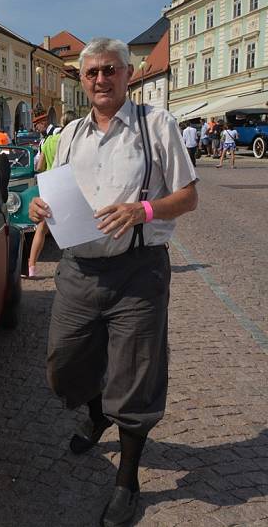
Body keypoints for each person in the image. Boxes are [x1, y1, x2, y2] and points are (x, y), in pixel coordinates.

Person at [28, 37, 198, 527]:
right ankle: (97, 411)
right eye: (92, 73)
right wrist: (39, 209)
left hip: (138, 271)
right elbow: (51, 195)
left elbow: (187, 196)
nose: (100, 80)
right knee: (64, 365)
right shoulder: (70, 134)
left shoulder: (156, 125)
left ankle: (127, 480)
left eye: (110, 70)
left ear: (128, 74)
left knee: (136, 378)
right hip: (79, 270)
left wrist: (142, 209)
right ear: (82, 81)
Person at [27, 110, 78, 279]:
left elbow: (39, 166)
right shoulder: (72, 140)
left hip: (49, 187)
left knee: (41, 229)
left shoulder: (47, 141)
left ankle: (32, 266)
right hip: (67, 186)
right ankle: (74, 266)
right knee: (71, 229)